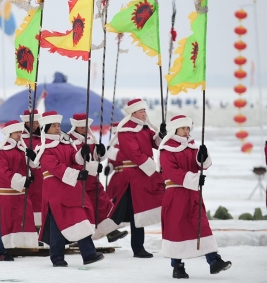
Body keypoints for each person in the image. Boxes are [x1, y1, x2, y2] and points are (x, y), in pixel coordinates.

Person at [159, 115, 232, 278]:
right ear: (175, 128)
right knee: (176, 229)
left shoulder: (192, 147)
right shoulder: (166, 149)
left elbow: (199, 166)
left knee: (201, 225)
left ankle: (214, 261)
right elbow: (171, 172)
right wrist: (194, 178)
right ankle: (177, 266)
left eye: (188, 128)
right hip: (175, 194)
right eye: (184, 128)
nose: (187, 131)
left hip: (193, 194)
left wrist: (202, 158)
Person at [36, 111, 104, 267]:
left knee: (79, 218)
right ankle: (57, 256)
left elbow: (74, 159)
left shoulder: (66, 143)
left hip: (71, 186)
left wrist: (82, 153)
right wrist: (78, 174)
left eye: (58, 125)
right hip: (55, 188)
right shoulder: (44, 147)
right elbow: (55, 167)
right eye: (53, 125)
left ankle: (88, 254)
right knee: (57, 223)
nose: (57, 128)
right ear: (46, 127)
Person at [106, 98, 165, 258]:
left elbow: (156, 143)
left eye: (145, 110)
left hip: (145, 175)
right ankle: (137, 247)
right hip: (134, 177)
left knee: (140, 212)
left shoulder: (144, 127)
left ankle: (143, 246)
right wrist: (153, 168)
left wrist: (161, 134)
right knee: (136, 212)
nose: (144, 113)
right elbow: (134, 154)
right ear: (133, 113)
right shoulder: (126, 130)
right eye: (141, 111)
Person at [68, 113, 127, 243]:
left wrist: (100, 153)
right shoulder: (69, 140)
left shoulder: (91, 138)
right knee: (85, 209)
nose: (84, 129)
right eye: (81, 127)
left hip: (93, 179)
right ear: (76, 126)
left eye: (86, 126)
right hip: (79, 181)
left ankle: (110, 231)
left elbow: (97, 158)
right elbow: (72, 161)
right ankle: (84, 238)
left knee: (103, 203)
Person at [0, 120, 38, 261]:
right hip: (8, 194)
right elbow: (3, 173)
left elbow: (34, 167)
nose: (20, 134)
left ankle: (12, 246)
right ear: (9, 133)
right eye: (17, 132)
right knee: (5, 222)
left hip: (21, 193)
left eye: (20, 131)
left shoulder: (22, 149)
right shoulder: (0, 151)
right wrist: (23, 180)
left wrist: (33, 157)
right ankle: (1, 251)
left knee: (19, 220)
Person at [20, 109, 43, 229]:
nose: (34, 125)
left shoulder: (43, 138)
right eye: (31, 123)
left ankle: (39, 230)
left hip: (40, 178)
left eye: (36, 122)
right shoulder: (20, 138)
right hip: (25, 177)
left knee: (39, 204)